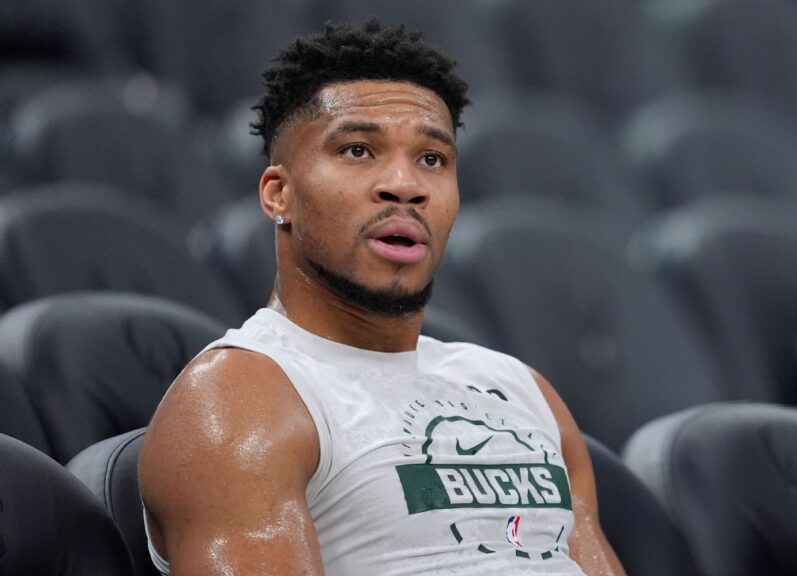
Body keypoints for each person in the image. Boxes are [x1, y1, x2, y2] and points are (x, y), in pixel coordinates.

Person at [138, 19, 627, 576]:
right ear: (280, 194)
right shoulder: (239, 400)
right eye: (357, 150)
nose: (405, 183)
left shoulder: (523, 390)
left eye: (432, 159)